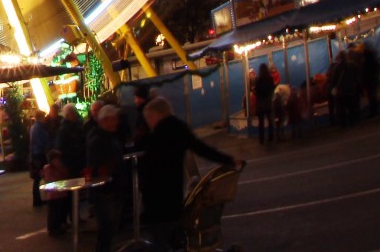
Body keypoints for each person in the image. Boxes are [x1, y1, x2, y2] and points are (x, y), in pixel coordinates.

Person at [141, 96, 243, 252]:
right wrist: (228, 159)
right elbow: (201, 148)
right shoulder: (178, 128)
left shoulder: (156, 136)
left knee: (160, 239)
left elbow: (149, 170)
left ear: (156, 114)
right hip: (173, 194)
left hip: (156, 199)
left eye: (149, 117)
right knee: (172, 234)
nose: (148, 121)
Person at [86, 104, 126, 252]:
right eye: (114, 119)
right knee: (107, 230)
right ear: (106, 120)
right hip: (106, 191)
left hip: (109, 189)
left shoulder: (106, 136)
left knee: (109, 230)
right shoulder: (100, 139)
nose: (116, 122)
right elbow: (98, 166)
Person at [40, 149, 71, 237]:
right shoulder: (48, 168)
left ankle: (60, 225)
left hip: (62, 193)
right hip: (53, 195)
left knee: (61, 211)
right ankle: (53, 228)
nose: (58, 161)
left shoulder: (61, 167)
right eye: (56, 159)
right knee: (54, 213)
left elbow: (66, 176)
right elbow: (53, 180)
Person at [55, 103, 85, 178]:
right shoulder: (65, 129)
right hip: (71, 161)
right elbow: (61, 146)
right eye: (73, 113)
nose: (74, 115)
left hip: (79, 159)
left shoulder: (79, 124)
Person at [29, 110, 50, 207]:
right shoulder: (39, 128)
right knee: (40, 177)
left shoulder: (34, 127)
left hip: (36, 154)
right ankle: (39, 199)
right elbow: (44, 141)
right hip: (40, 154)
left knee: (37, 178)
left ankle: (37, 199)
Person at [252, 63, 276, 144]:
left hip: (260, 103)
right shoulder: (270, 79)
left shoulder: (258, 80)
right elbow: (272, 88)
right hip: (268, 102)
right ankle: (271, 137)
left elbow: (257, 92)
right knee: (270, 120)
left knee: (261, 122)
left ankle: (261, 139)